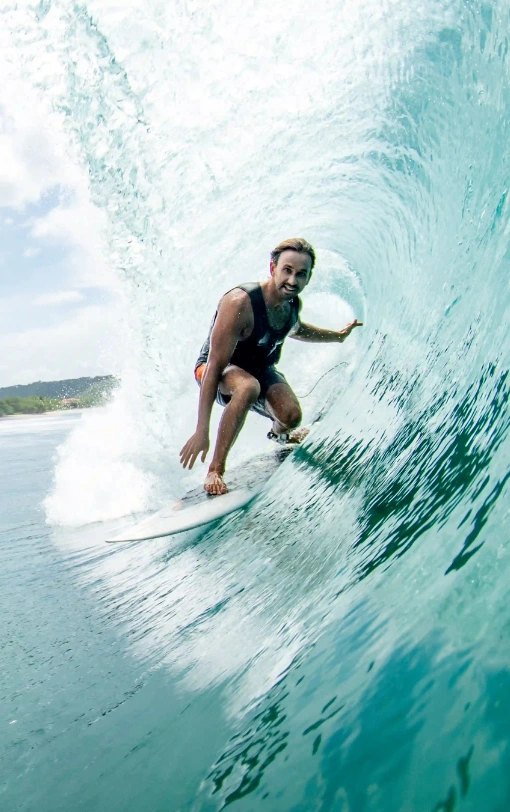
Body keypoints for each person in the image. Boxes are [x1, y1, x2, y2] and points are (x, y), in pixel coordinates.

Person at [180, 238, 363, 495]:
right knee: (248, 387)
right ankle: (215, 470)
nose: (292, 280)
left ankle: (280, 436)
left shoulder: (291, 306)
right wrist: (202, 429)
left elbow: (298, 329)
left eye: (301, 274)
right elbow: (214, 366)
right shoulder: (240, 303)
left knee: (290, 416)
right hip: (216, 370)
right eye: (287, 270)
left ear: (308, 279)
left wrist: (337, 336)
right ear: (272, 268)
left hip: (257, 368)